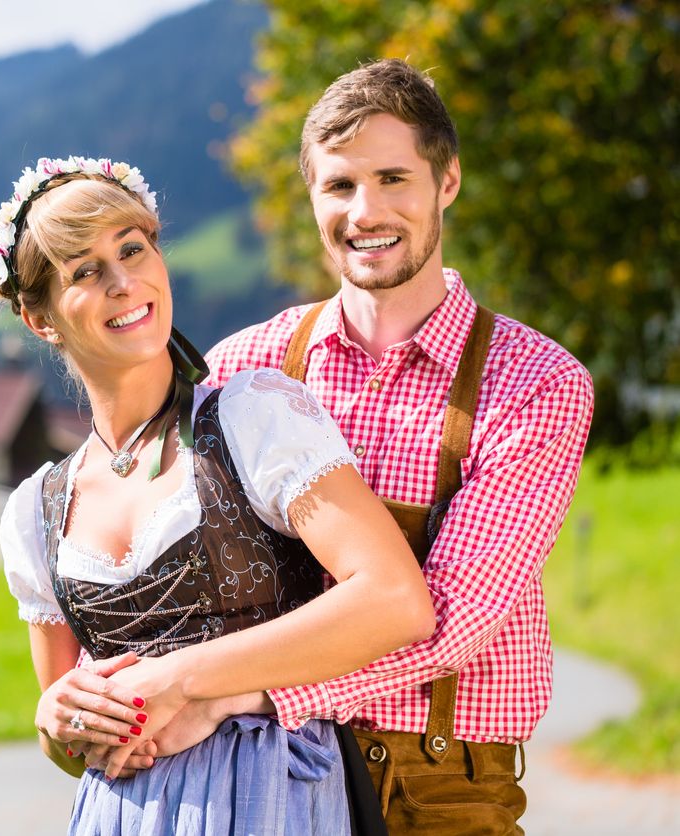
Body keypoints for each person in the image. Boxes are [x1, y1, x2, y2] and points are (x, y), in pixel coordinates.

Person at [80, 60, 595, 834]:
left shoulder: (533, 383)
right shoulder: (245, 364)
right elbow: (172, 562)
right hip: (252, 770)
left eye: (394, 178)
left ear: (446, 181)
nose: (367, 211)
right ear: (312, 197)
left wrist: (226, 691)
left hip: (436, 786)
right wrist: (85, 694)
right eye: (341, 186)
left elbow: (447, 620)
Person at [0, 154, 435, 835]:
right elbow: (70, 744)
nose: (123, 282)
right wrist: (53, 721)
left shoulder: (250, 419)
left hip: (271, 801)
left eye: (133, 250)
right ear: (39, 319)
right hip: (121, 818)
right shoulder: (37, 511)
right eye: (84, 271)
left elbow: (395, 600)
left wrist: (184, 678)